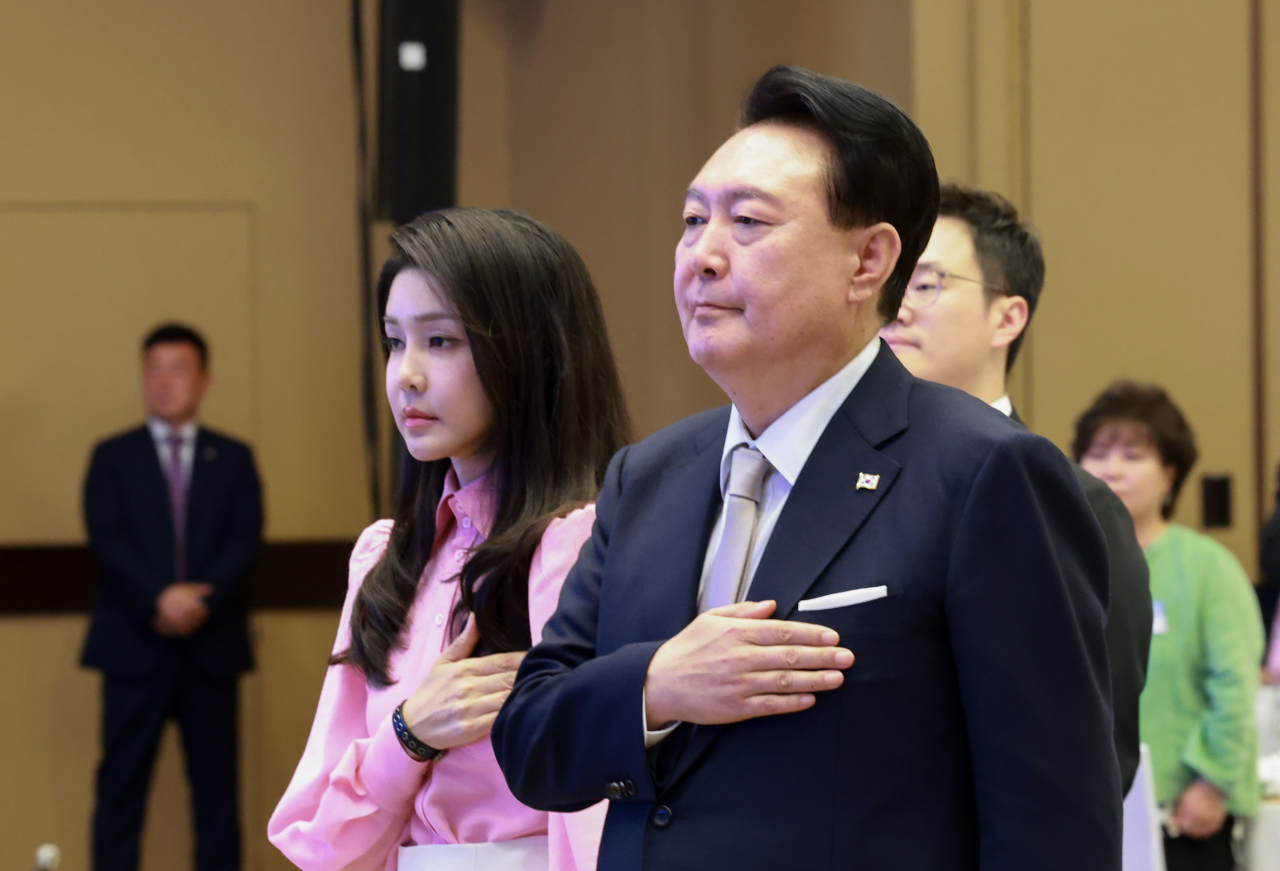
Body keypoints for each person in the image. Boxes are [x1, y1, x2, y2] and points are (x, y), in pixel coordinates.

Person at [493, 66, 1121, 871]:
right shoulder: (644, 477)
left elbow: (1053, 824)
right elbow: (530, 737)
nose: (702, 257)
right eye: (691, 220)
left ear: (868, 261)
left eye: (748, 222)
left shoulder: (982, 473)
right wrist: (657, 683)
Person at [268, 208, 629, 871]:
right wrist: (408, 733)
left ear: (530, 352)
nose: (405, 373)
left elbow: (596, 813)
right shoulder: (385, 555)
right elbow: (320, 840)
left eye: (439, 341)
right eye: (393, 340)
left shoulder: (582, 544)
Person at [879, 182, 1152, 793]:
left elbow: (1094, 753)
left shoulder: (1072, 501)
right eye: (890, 283)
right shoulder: (844, 484)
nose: (896, 306)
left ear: (1008, 315)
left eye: (926, 283)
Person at [83, 323, 263, 871]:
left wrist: (199, 602)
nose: (163, 382)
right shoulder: (113, 456)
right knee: (120, 789)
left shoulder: (232, 457)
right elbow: (105, 537)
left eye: (177, 369)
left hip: (211, 648)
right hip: (133, 644)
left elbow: (246, 537)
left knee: (216, 795)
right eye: (153, 369)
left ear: (204, 380)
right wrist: (160, 598)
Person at [1076, 382, 1263, 871]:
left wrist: (1214, 781)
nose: (1112, 469)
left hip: (1184, 814)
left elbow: (1235, 687)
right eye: (1097, 453)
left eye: (1132, 455)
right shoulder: (1068, 564)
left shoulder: (1207, 567)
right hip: (1092, 812)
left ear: (1170, 475)